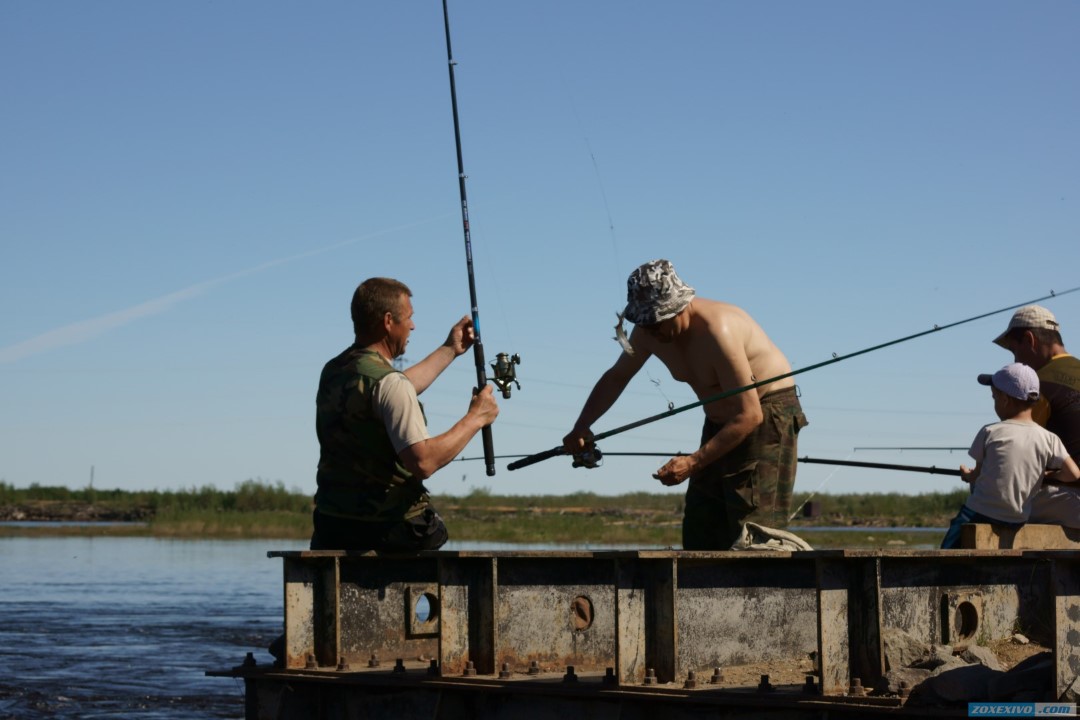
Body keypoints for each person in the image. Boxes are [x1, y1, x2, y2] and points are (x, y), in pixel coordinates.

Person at [562, 259, 808, 550]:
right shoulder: (647, 332)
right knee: (702, 525)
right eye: (644, 321)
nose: (651, 330)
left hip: (765, 416)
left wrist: (692, 462)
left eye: (657, 320)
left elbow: (749, 414)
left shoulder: (719, 331)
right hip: (719, 422)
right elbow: (617, 377)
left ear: (679, 306)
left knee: (755, 535)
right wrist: (581, 426)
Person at [310, 276, 499, 552]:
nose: (412, 325)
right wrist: (476, 418)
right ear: (388, 321)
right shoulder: (390, 384)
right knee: (434, 529)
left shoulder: (335, 370)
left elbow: (392, 390)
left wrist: (450, 349)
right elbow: (423, 462)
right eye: (408, 317)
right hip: (386, 528)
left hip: (332, 525)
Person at [940, 363, 1079, 549]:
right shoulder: (1049, 438)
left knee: (949, 546)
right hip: (1017, 519)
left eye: (994, 398)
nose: (995, 403)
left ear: (1005, 399)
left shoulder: (990, 431)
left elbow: (977, 475)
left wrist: (967, 474)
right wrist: (1047, 475)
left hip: (981, 512)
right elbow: (1074, 474)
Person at [992, 305, 1080, 527]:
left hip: (1069, 501)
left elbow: (1016, 453)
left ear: (1029, 340)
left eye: (1014, 351)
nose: (1016, 363)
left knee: (987, 493)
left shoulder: (1036, 388)